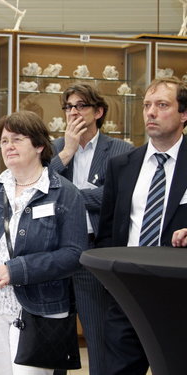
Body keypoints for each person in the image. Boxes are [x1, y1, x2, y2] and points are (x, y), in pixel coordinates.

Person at [0, 110, 87, 375]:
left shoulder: (64, 193)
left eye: (17, 139)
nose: (8, 146)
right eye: (3, 141)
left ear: (39, 145)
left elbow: (73, 254)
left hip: (40, 310)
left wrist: (15, 270)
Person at [96, 77, 187, 375]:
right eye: (147, 105)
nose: (150, 112)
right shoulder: (122, 166)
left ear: (184, 114)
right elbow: (108, 232)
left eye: (162, 105)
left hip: (179, 298)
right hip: (128, 295)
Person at [50, 83, 133, 375]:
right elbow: (40, 189)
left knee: (97, 334)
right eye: (69, 107)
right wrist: (68, 152)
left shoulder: (121, 150)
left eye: (81, 106)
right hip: (57, 251)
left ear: (98, 112)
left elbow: (113, 197)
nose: (74, 112)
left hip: (94, 251)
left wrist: (68, 196)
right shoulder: (57, 148)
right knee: (54, 336)